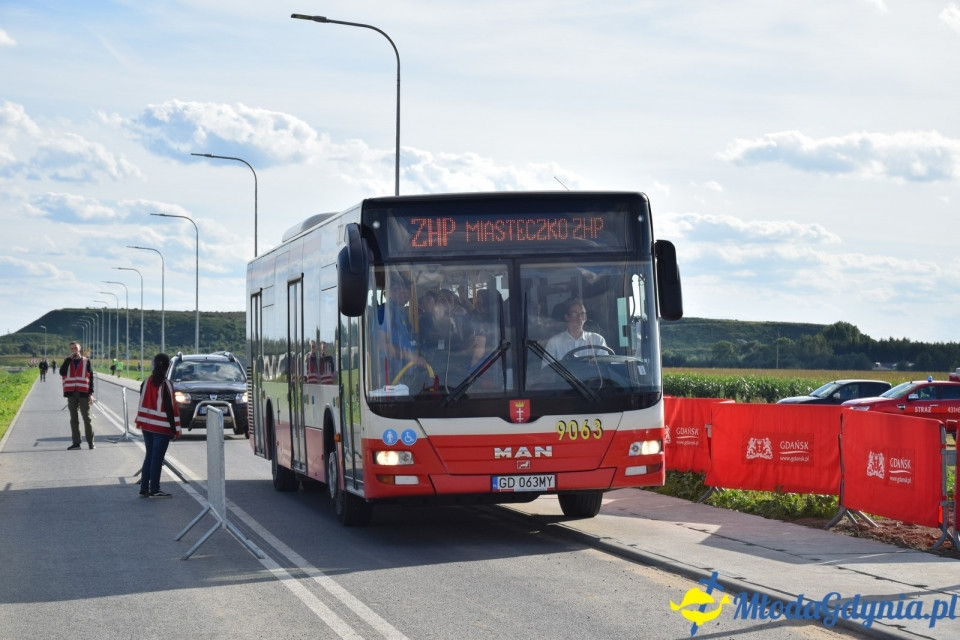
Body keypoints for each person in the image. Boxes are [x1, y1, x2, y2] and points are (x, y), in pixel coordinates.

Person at [135, 353, 181, 498]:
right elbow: (169, 408)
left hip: (146, 425)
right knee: (157, 458)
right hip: (161, 427)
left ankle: (144, 488)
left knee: (149, 456)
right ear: (168, 367)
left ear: (154, 365)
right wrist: (175, 430)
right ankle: (154, 489)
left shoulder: (147, 381)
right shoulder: (166, 384)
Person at [543, 298, 608, 364]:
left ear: (585, 318)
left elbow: (605, 366)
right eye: (575, 314)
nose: (579, 318)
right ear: (567, 317)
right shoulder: (554, 343)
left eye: (582, 314)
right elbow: (547, 370)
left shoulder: (597, 340)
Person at [59, 341, 95, 449]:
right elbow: (62, 372)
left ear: (80, 348)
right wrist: (68, 360)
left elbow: (91, 377)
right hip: (71, 393)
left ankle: (90, 442)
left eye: (75, 348)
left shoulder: (86, 361)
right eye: (72, 348)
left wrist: (91, 393)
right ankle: (76, 443)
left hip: (83, 392)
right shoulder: (67, 361)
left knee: (87, 418)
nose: (74, 350)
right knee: (73, 419)